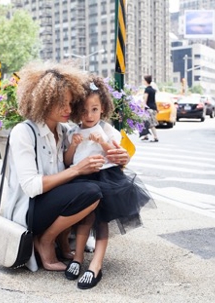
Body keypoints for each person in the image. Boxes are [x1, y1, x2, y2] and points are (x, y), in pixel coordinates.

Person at [2, 62, 131, 273]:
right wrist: (77, 169)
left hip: (54, 204)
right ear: (44, 101)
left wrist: (122, 156)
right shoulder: (23, 132)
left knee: (94, 190)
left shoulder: (64, 131)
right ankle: (45, 240)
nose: (69, 110)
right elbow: (31, 187)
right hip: (30, 209)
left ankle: (62, 242)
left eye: (71, 103)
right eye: (62, 103)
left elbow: (97, 139)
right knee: (90, 191)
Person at [63, 75, 153, 289]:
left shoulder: (107, 130)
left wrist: (102, 141)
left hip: (105, 178)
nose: (89, 115)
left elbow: (116, 155)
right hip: (82, 178)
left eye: (94, 109)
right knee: (84, 220)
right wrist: (74, 146)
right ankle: (77, 259)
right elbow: (68, 160)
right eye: (84, 111)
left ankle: (96, 264)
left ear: (102, 108)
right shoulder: (74, 131)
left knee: (101, 222)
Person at [141, 75, 159, 142]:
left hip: (148, 109)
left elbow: (145, 100)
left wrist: (142, 108)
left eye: (143, 80)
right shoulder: (153, 90)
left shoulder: (147, 89)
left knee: (151, 123)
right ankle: (146, 136)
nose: (143, 81)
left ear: (146, 81)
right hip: (153, 108)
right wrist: (157, 108)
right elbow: (153, 100)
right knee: (146, 122)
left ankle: (155, 137)